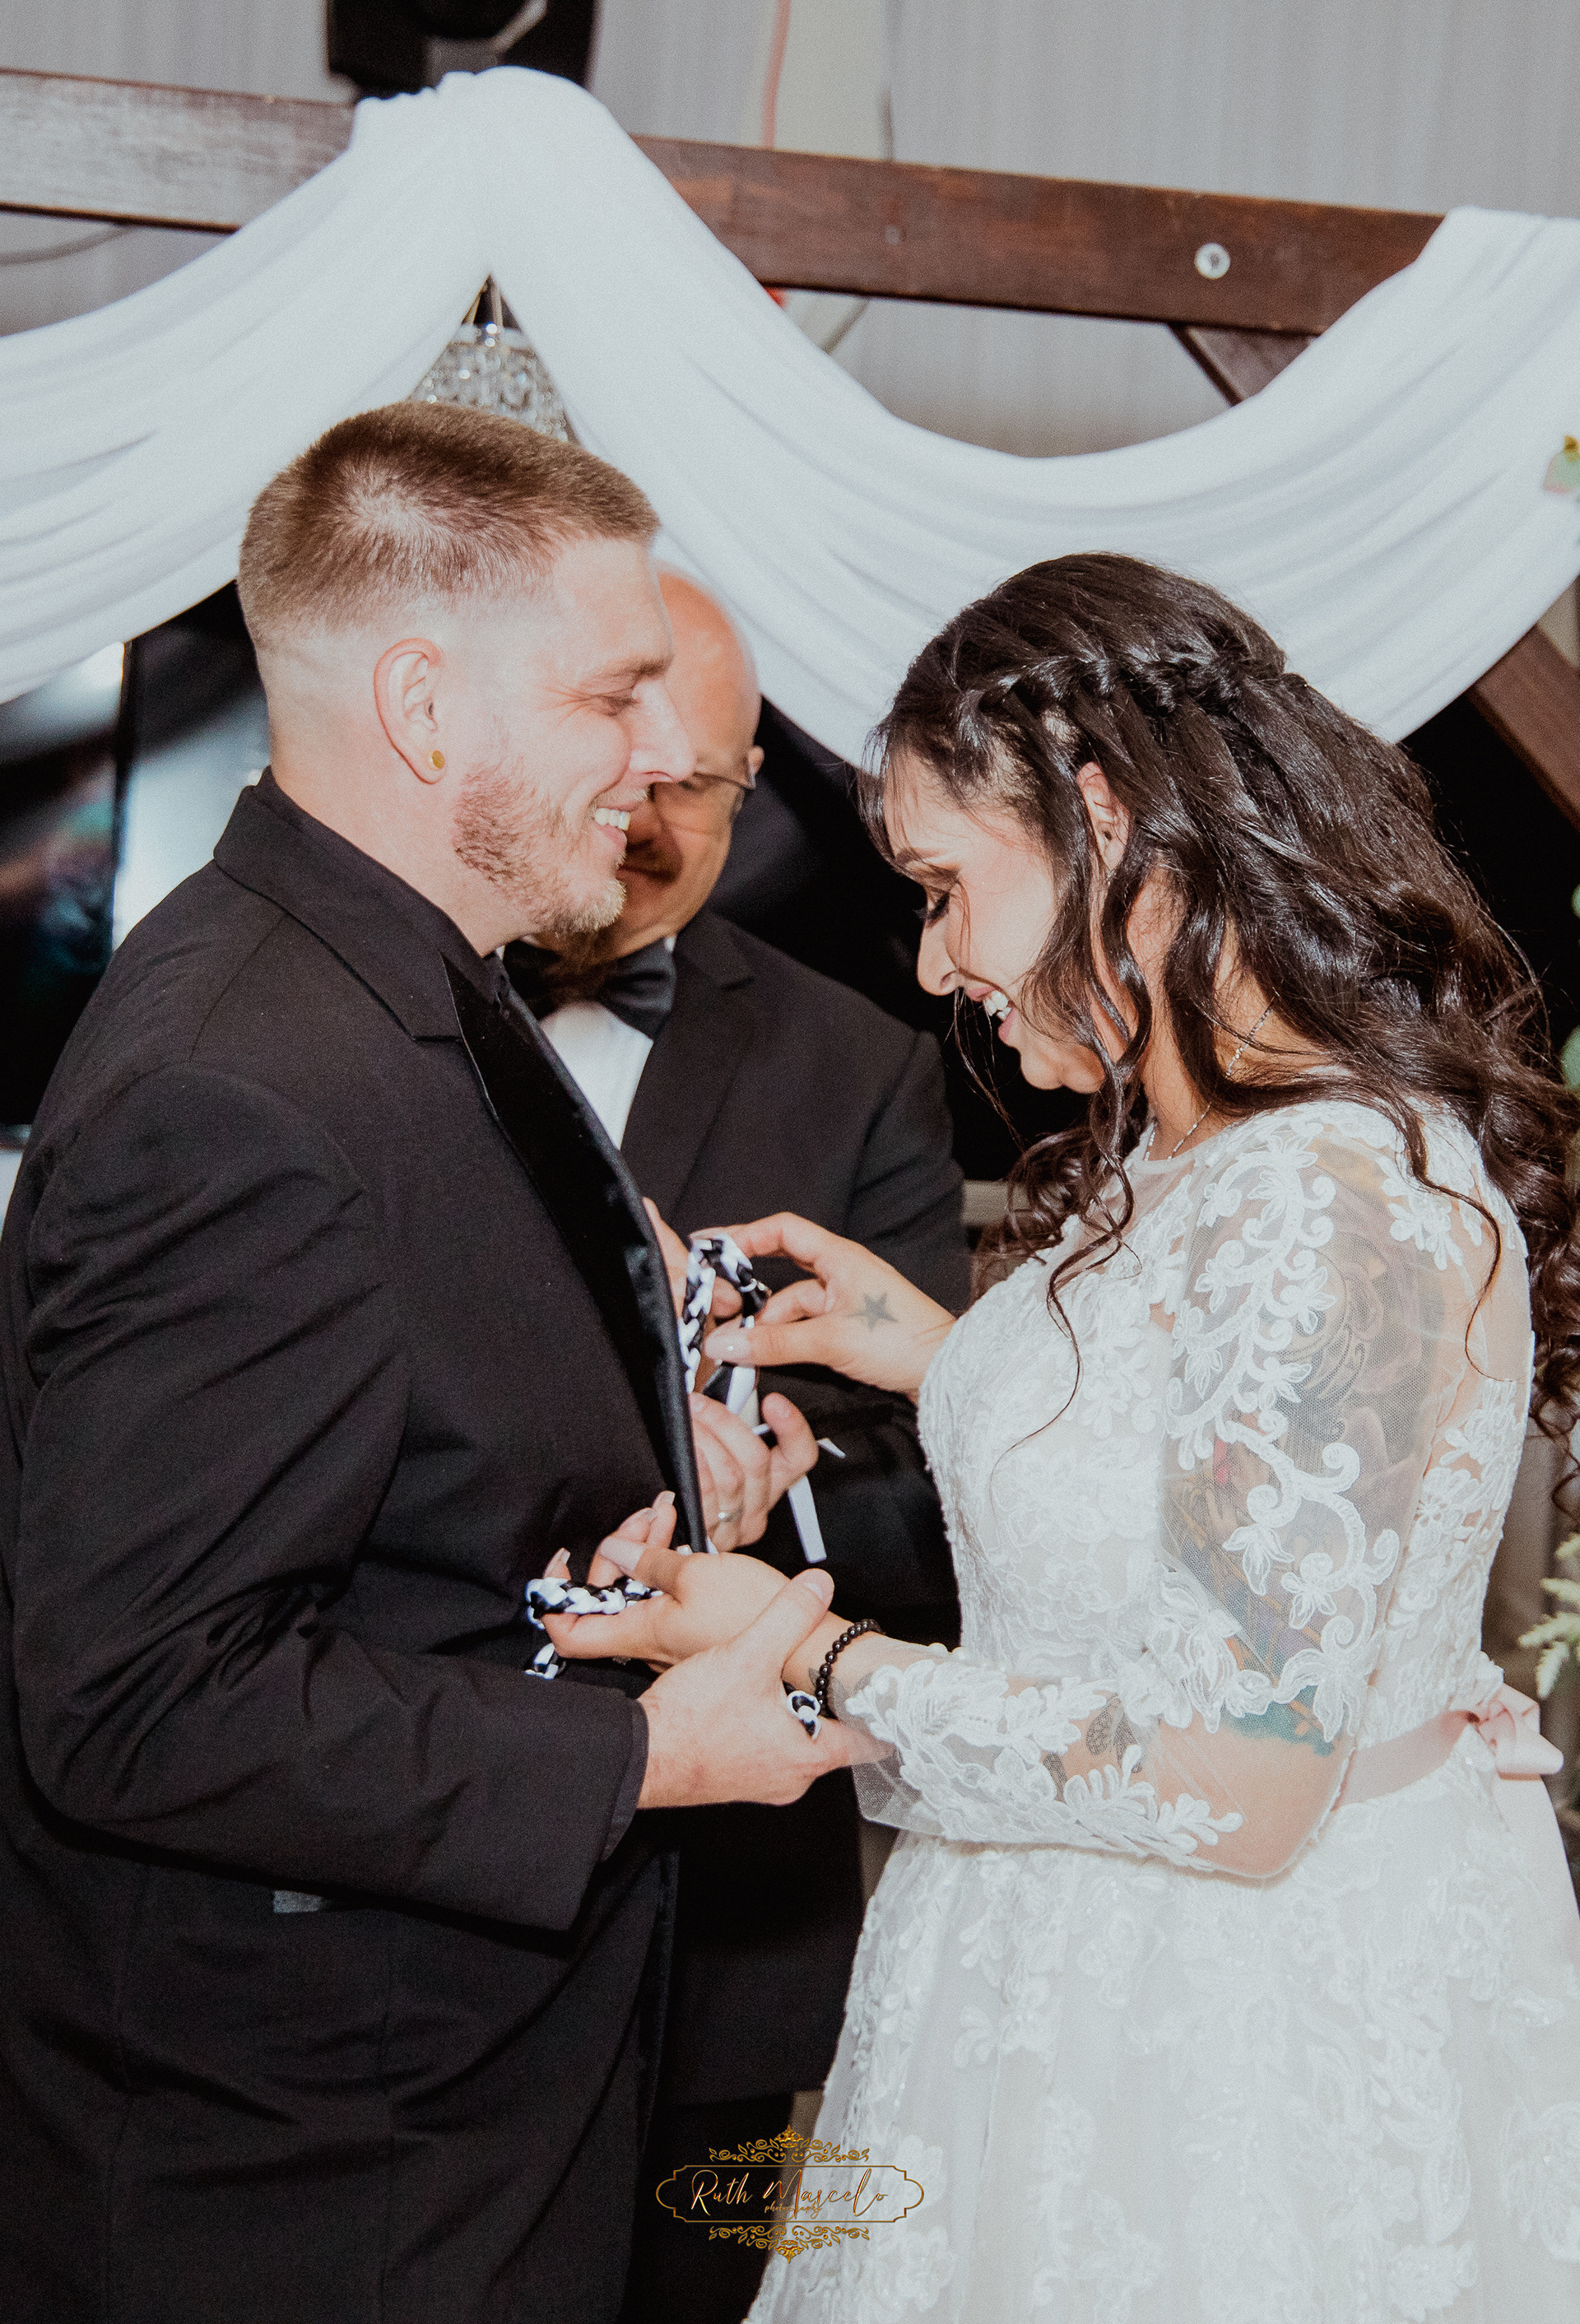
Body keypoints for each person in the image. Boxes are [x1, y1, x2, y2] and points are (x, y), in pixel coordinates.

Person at [542, 553, 1580, 2321]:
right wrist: (941, 1352)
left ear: (1104, 818)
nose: (936, 959)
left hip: (1224, 2030)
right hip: (1046, 1964)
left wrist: (808, 1653)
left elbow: (1237, 1780)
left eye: (949, 888)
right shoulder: (1191, 1152)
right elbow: (1189, 1461)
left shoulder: (1334, 1197)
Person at [0, 402, 872, 2324]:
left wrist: (623, 1515)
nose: (658, 757)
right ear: (422, 706)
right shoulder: (244, 1081)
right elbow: (141, 1694)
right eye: (612, 695)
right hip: (306, 2183)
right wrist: (653, 1748)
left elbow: (395, 1488)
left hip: (446, 2111)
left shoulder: (394, 984)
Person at [508, 569, 968, 2324]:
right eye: (618, 777)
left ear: (753, 780)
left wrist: (784, 1473)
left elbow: (931, 1468)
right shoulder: (381, 1018)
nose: (641, 825)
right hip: (412, 1857)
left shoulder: (859, 1062)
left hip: (732, 1912)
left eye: (688, 788)